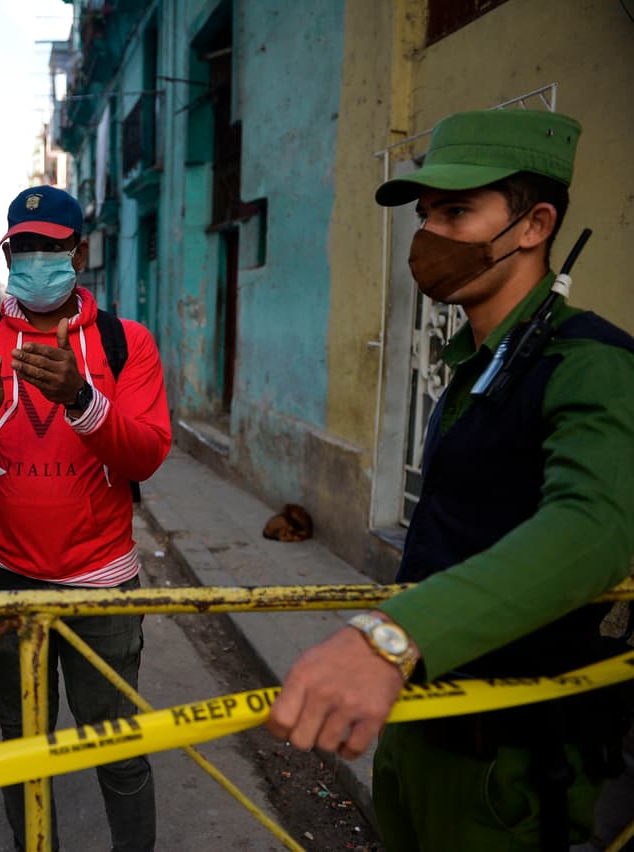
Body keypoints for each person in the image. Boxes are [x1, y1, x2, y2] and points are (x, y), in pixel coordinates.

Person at [267, 109, 634, 850]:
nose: (430, 237)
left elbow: (596, 529)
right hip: (420, 731)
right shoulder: (478, 364)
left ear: (534, 225)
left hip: (506, 771)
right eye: (427, 215)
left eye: (458, 212)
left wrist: (392, 639)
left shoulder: (590, 363)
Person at [0, 186, 172, 852]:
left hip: (100, 581)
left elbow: (147, 454)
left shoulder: (125, 344)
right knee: (22, 748)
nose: (37, 258)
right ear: (8, 252)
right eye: (23, 247)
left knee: (119, 749)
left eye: (52, 246)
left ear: (79, 250)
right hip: (4, 581)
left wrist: (80, 396)